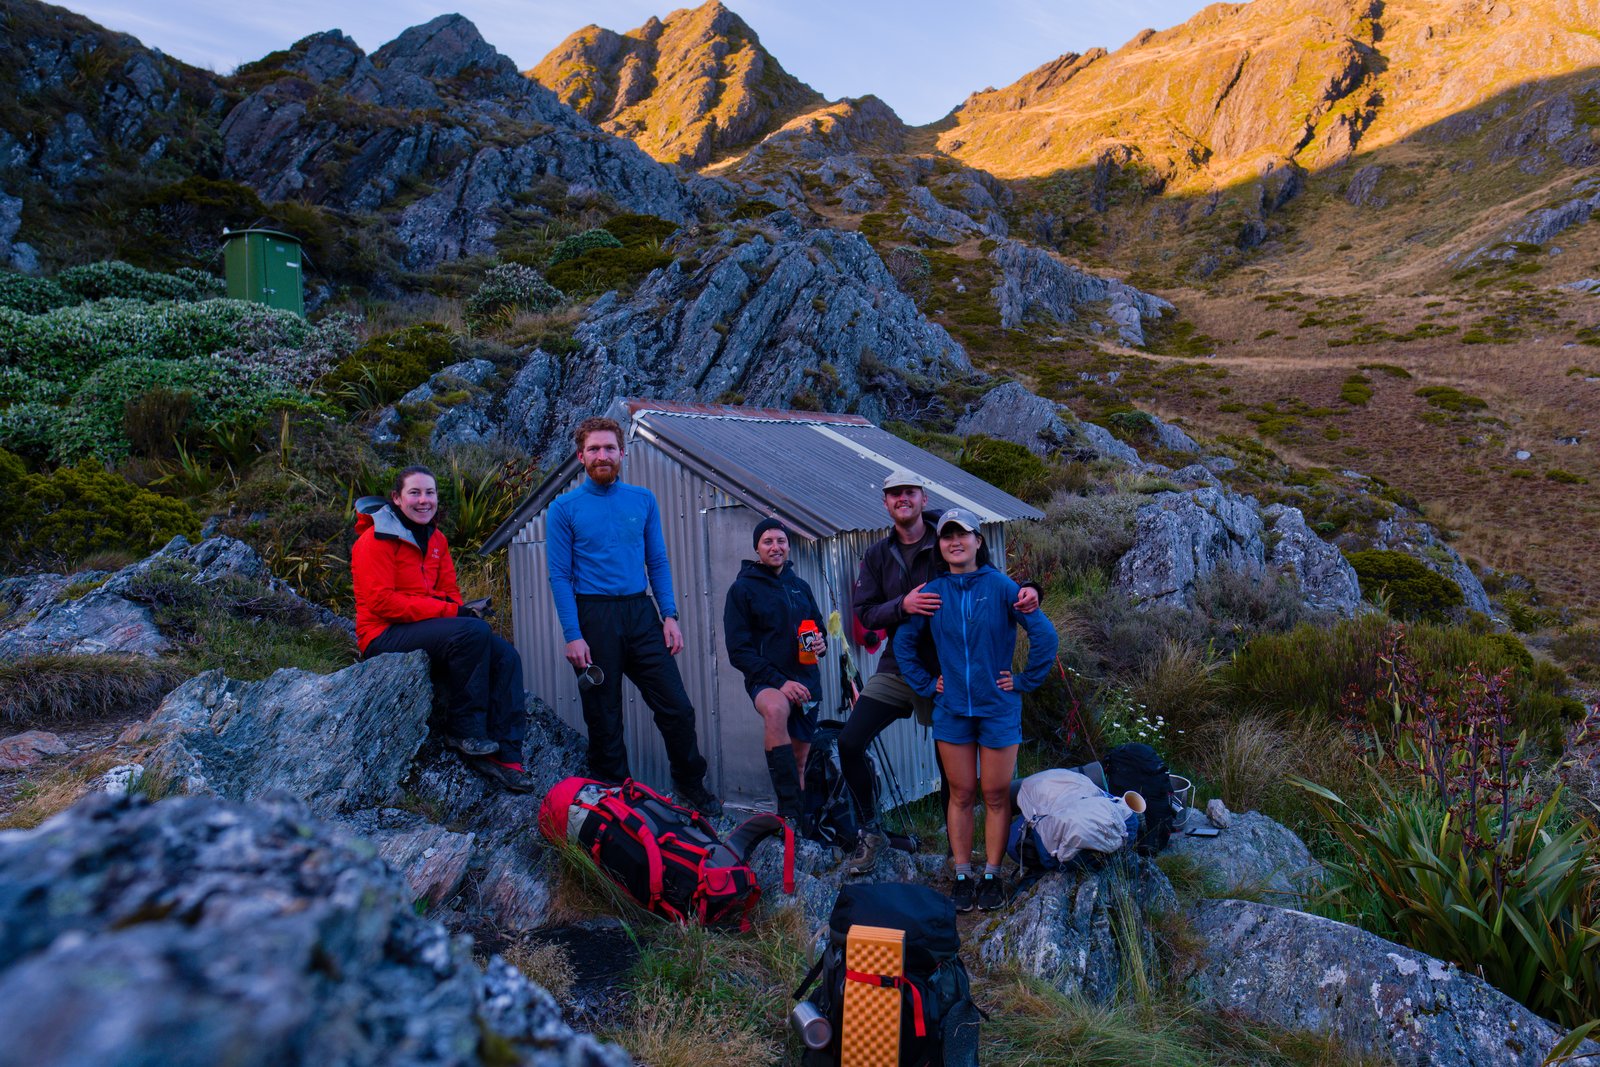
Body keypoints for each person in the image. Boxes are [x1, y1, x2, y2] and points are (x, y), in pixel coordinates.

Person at [840, 470, 1040, 875]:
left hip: (954, 672)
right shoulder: (877, 555)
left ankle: (957, 858)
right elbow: (863, 614)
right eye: (893, 494)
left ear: (922, 496)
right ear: (885, 503)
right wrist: (903, 606)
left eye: (909, 492)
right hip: (901, 665)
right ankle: (871, 830)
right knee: (849, 742)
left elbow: (995, 580)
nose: (902, 499)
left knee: (954, 771)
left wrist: (1033, 587)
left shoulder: (948, 535)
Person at [546, 416, 722, 816]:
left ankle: (690, 783)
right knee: (604, 716)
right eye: (594, 449)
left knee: (677, 707)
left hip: (641, 614)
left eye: (609, 448)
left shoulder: (642, 500)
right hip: (593, 617)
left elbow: (657, 560)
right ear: (580, 457)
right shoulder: (564, 508)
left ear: (623, 454)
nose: (602, 455)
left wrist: (670, 616)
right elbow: (559, 575)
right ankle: (617, 800)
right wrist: (573, 634)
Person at [894, 508, 1058, 912]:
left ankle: (992, 874)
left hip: (997, 709)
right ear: (941, 545)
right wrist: (930, 685)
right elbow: (903, 645)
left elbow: (1045, 637)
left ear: (978, 542)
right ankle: (964, 874)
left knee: (996, 794)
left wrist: (1022, 682)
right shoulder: (933, 592)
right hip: (952, 710)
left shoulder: (1001, 586)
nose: (954, 542)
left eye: (962, 535)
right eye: (947, 536)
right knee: (963, 792)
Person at [351, 466, 531, 792]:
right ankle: (464, 729)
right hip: (382, 634)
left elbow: (450, 594)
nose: (424, 501)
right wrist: (453, 613)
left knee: (506, 655)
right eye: (414, 493)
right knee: (472, 633)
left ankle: (507, 757)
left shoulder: (436, 540)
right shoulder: (373, 540)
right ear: (396, 498)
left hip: (424, 628)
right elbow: (382, 603)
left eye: (430, 493)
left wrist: (461, 613)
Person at [723, 517, 827, 823]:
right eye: (767, 541)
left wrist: (821, 644)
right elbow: (738, 651)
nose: (775, 547)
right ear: (757, 548)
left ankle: (800, 822)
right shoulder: (742, 590)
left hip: (807, 680)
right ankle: (788, 814)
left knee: (799, 760)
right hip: (767, 679)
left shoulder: (800, 586)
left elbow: (817, 627)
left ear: (788, 546)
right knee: (776, 710)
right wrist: (780, 681)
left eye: (780, 541)